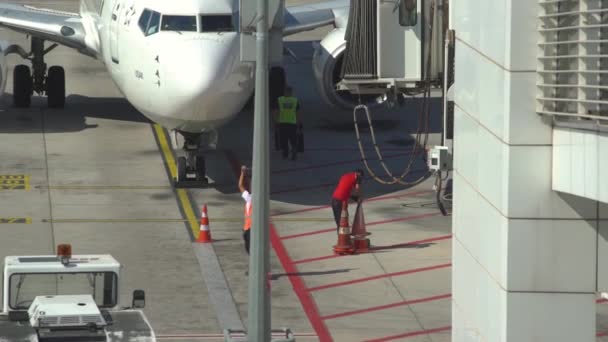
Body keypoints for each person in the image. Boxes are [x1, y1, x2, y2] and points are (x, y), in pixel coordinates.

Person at [275, 86, 301, 160]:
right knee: (293, 138)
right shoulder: (295, 100)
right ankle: (294, 150)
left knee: (283, 139)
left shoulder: (280, 100)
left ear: (284, 92)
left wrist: (276, 121)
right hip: (292, 123)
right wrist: (299, 122)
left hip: (282, 122)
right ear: (291, 93)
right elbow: (298, 112)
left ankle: (285, 153)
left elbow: (276, 111)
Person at [238, 165, 252, 255]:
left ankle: (254, 268)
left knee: (249, 250)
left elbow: (240, 185)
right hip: (252, 229)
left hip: (249, 229)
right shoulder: (259, 198)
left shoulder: (249, 198)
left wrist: (243, 173)